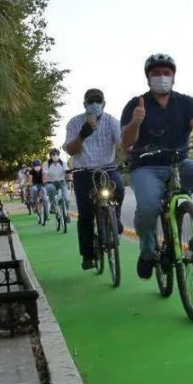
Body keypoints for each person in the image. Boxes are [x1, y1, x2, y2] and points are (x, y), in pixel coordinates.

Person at [119, 53, 193, 280]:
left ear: (174, 76)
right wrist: (136, 122)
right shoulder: (136, 104)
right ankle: (147, 251)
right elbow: (126, 142)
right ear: (148, 78)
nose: (161, 78)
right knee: (147, 208)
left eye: (166, 73)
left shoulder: (185, 102)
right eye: (155, 74)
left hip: (180, 162)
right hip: (146, 167)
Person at [64, 88, 124, 270]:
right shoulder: (74, 123)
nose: (94, 104)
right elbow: (70, 150)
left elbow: (122, 144)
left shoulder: (112, 121)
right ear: (85, 104)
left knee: (119, 188)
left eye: (98, 101)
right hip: (83, 171)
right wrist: (82, 135)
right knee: (85, 213)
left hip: (108, 168)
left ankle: (115, 220)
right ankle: (88, 255)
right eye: (91, 101)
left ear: (104, 103)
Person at [43, 148, 68, 216]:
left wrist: (69, 178)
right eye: (53, 154)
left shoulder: (63, 163)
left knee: (66, 198)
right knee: (51, 189)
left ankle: (67, 214)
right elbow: (44, 174)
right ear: (50, 155)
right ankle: (53, 206)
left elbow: (67, 172)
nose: (55, 156)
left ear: (59, 155)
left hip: (62, 182)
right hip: (50, 182)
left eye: (57, 154)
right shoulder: (46, 164)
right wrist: (44, 180)